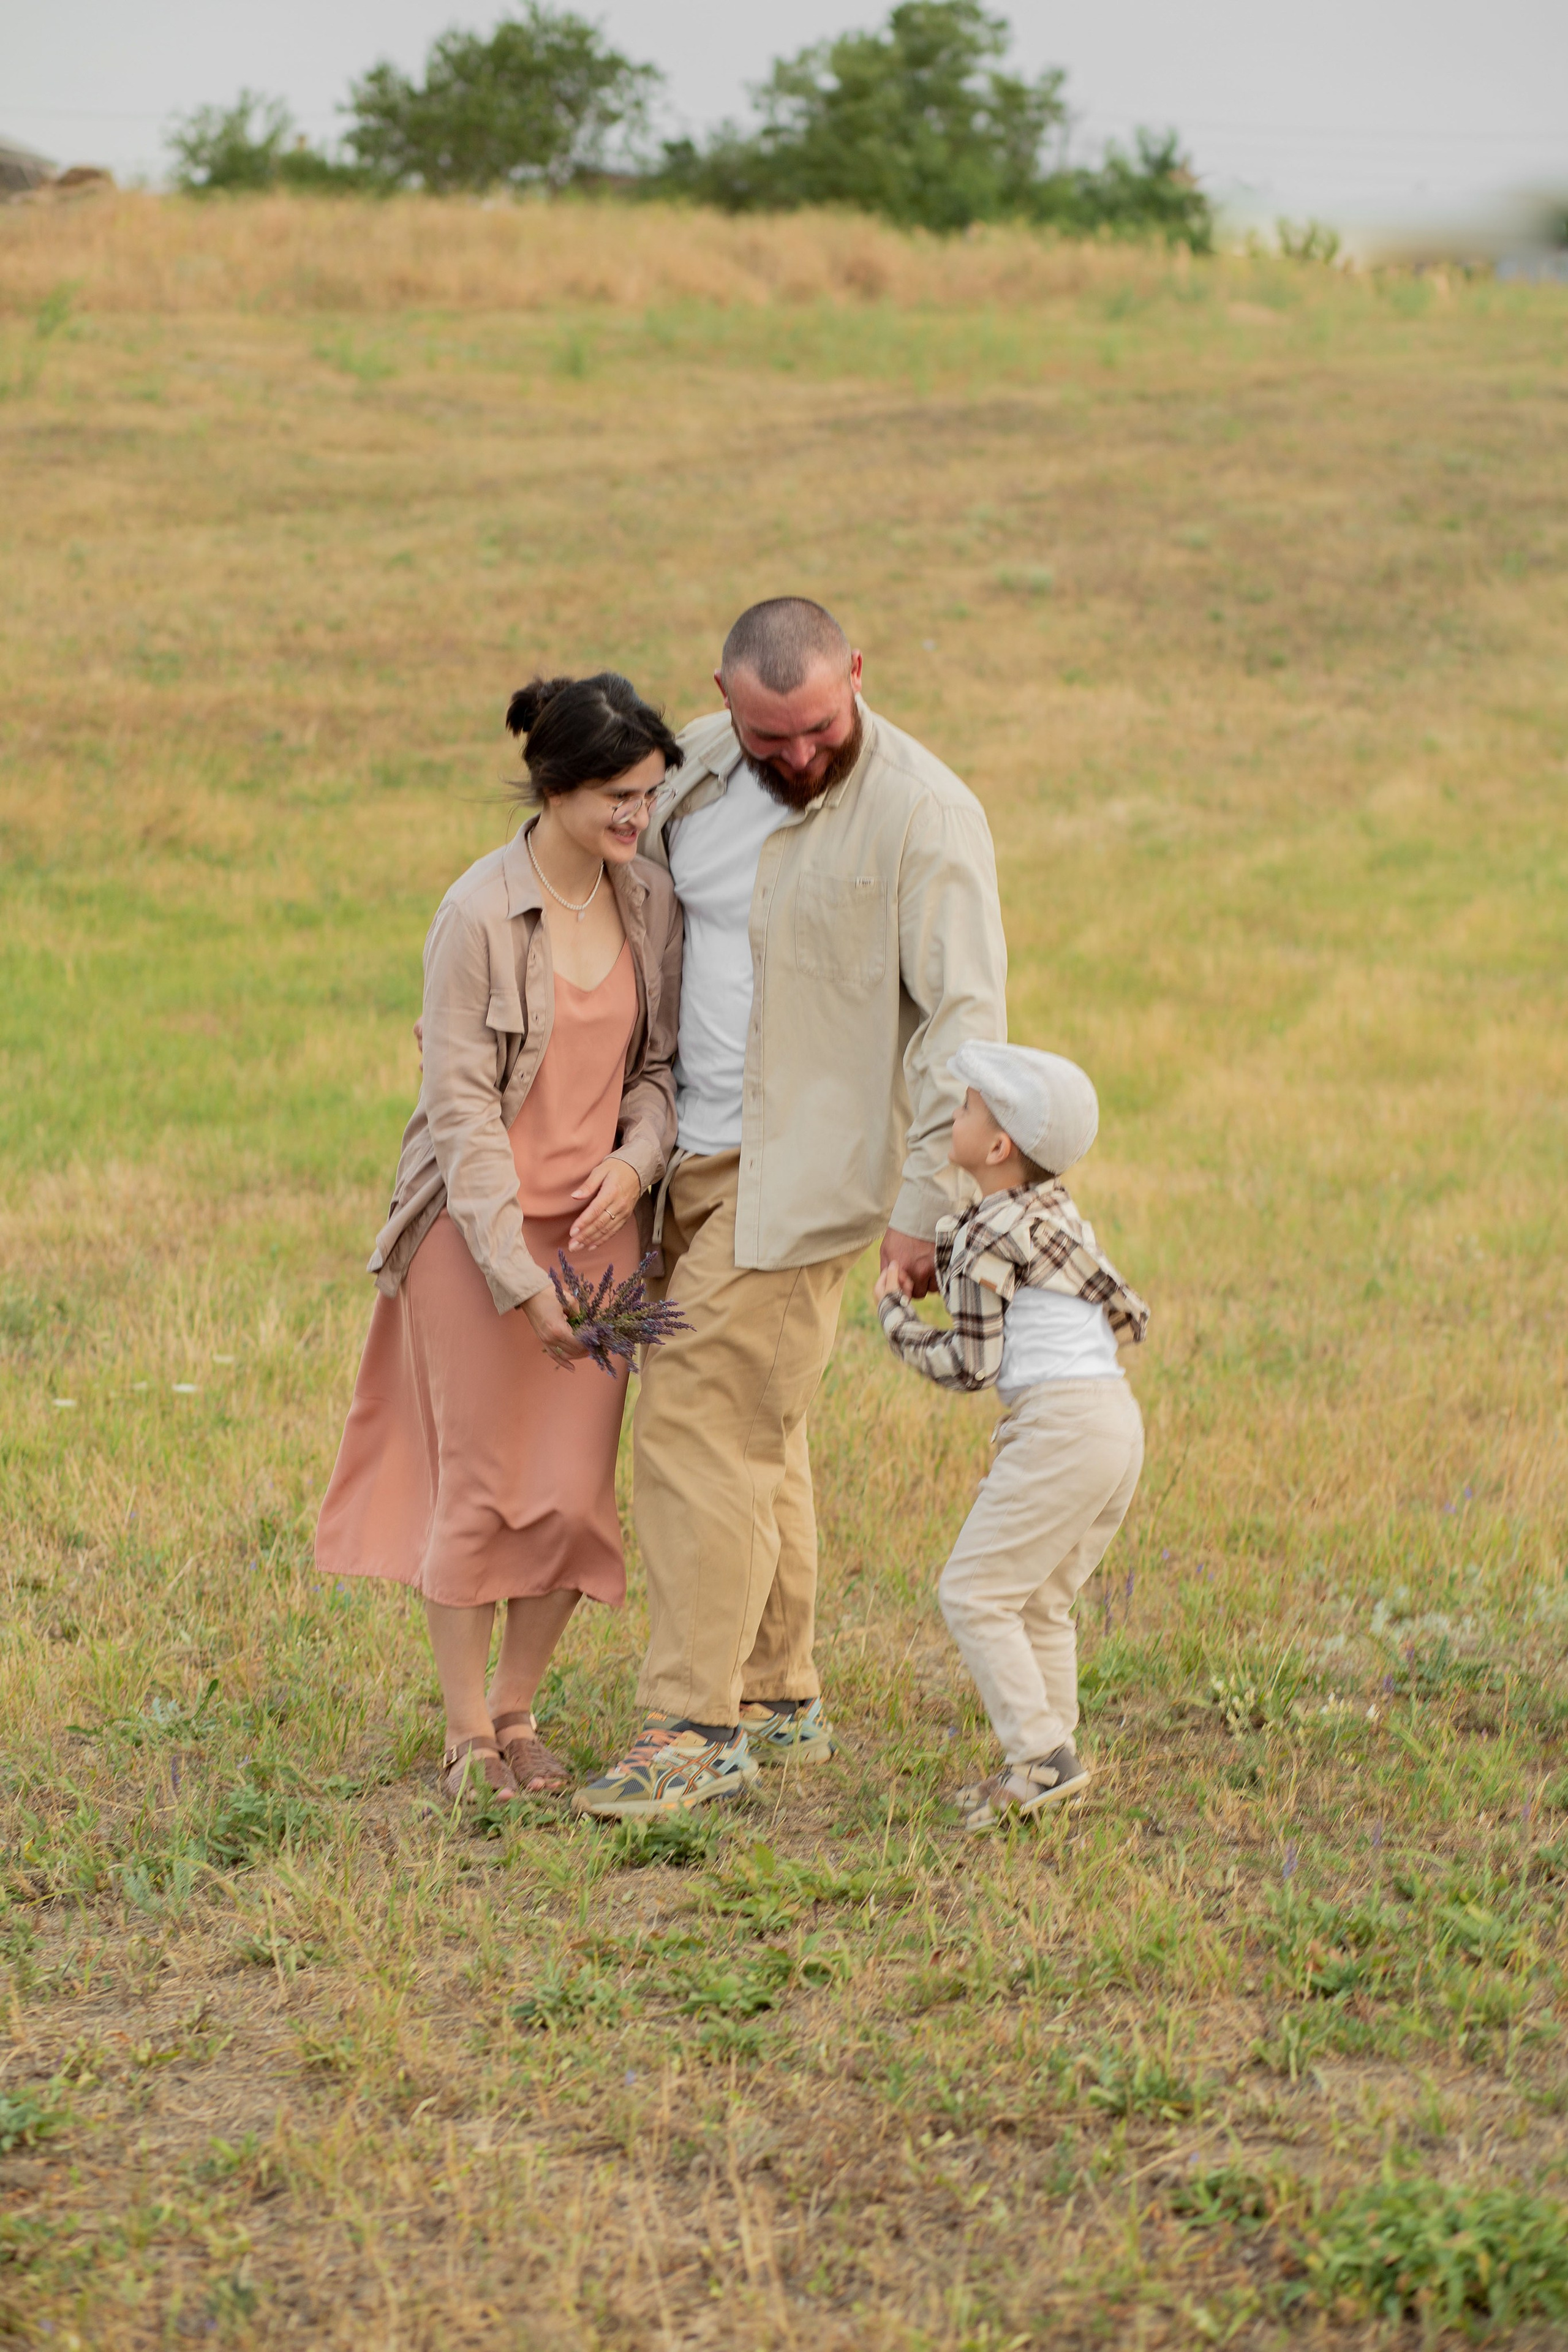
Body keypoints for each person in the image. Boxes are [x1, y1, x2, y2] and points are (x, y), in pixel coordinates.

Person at [573, 597, 1008, 1820]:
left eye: (817, 727)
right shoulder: (697, 774)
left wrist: (925, 1205)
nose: (798, 757)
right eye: (772, 737)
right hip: (682, 1163)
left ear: (856, 676)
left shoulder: (924, 815)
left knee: (694, 1426)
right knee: (759, 1427)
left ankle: (690, 1725)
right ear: (722, 700)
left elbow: (963, 1032)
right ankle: (775, 1694)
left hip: (808, 1176)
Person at [315, 674, 685, 1804]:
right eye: (620, 797)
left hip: (603, 1236)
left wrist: (635, 1161)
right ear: (556, 786)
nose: (638, 817)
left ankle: (523, 1709)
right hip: (474, 1240)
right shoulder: (477, 914)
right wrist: (517, 1278)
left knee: (573, 1494)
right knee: (481, 1486)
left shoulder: (651, 902)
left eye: (651, 797)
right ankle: (468, 1730)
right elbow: (463, 1113)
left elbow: (664, 1072)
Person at [872, 1041, 1150, 1831]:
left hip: (1058, 1430)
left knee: (974, 1590)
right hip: (1113, 1426)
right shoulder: (1046, 1208)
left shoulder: (991, 1234)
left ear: (996, 1148)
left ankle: (1038, 1755)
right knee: (1041, 1602)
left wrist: (895, 1316)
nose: (952, 1116)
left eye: (964, 1109)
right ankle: (1047, 1764)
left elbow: (968, 1364)